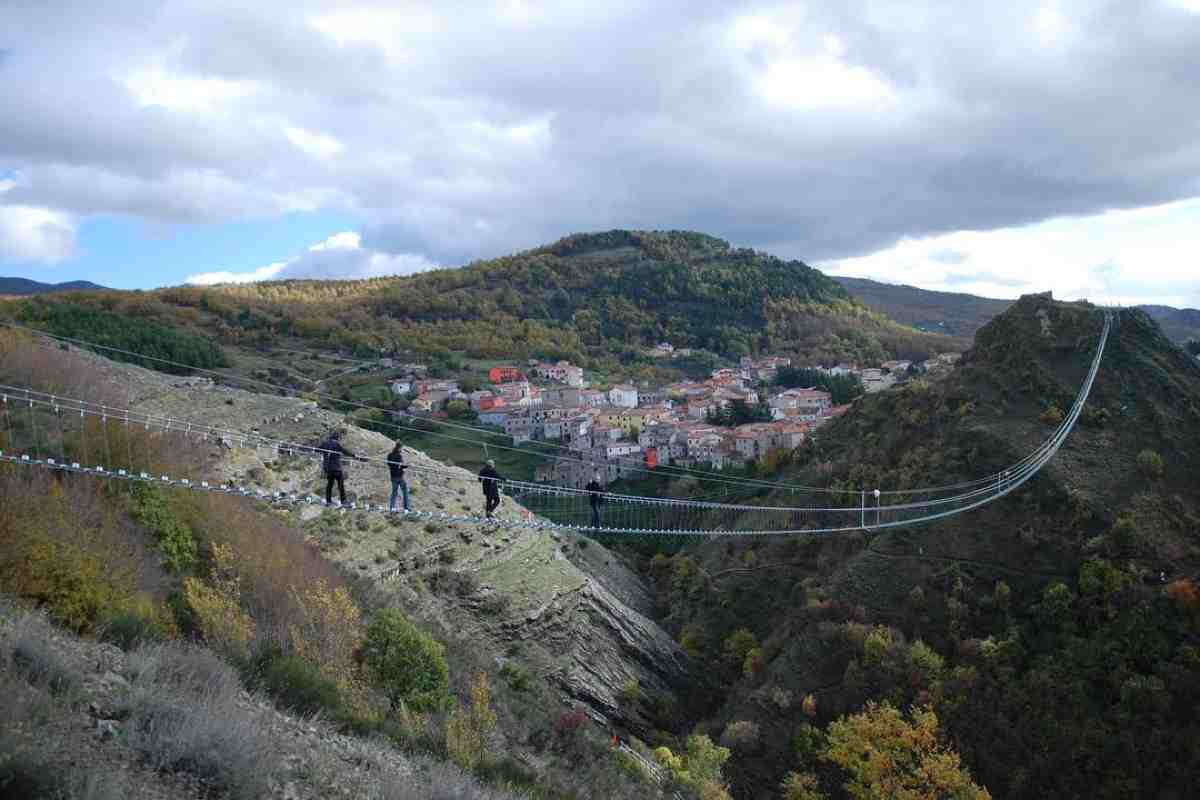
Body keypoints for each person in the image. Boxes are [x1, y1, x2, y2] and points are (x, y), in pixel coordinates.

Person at [319, 430, 355, 506]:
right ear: (337, 438)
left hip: (328, 469)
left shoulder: (325, 444)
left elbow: (317, 449)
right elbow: (345, 451)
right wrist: (354, 455)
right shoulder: (336, 444)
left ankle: (328, 501)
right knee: (340, 485)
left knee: (329, 485)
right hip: (336, 468)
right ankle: (343, 501)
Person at [387, 441, 411, 512]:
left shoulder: (389, 455)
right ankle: (407, 507)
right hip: (399, 476)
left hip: (393, 476)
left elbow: (389, 465)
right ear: (400, 448)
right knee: (405, 491)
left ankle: (392, 507)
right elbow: (400, 465)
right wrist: (407, 465)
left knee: (394, 492)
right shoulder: (399, 456)